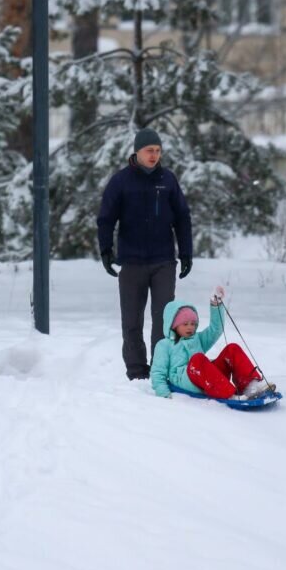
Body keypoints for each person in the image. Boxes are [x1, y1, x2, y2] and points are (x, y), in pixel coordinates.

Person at [98, 127, 193, 380]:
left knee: (163, 320)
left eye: (158, 151)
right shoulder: (121, 181)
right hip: (131, 262)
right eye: (149, 150)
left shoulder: (168, 180)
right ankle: (137, 371)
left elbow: (182, 218)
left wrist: (186, 253)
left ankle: (159, 369)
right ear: (137, 151)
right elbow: (106, 218)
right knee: (132, 322)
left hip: (163, 261)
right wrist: (106, 250)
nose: (154, 155)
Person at [150, 286, 275, 400]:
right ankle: (230, 395)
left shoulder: (197, 338)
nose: (190, 328)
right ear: (174, 325)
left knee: (232, 349)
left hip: (212, 379)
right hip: (186, 381)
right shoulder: (164, 345)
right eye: (185, 324)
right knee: (197, 359)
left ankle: (251, 386)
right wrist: (163, 394)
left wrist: (216, 305)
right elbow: (157, 373)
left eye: (193, 324)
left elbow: (216, 329)